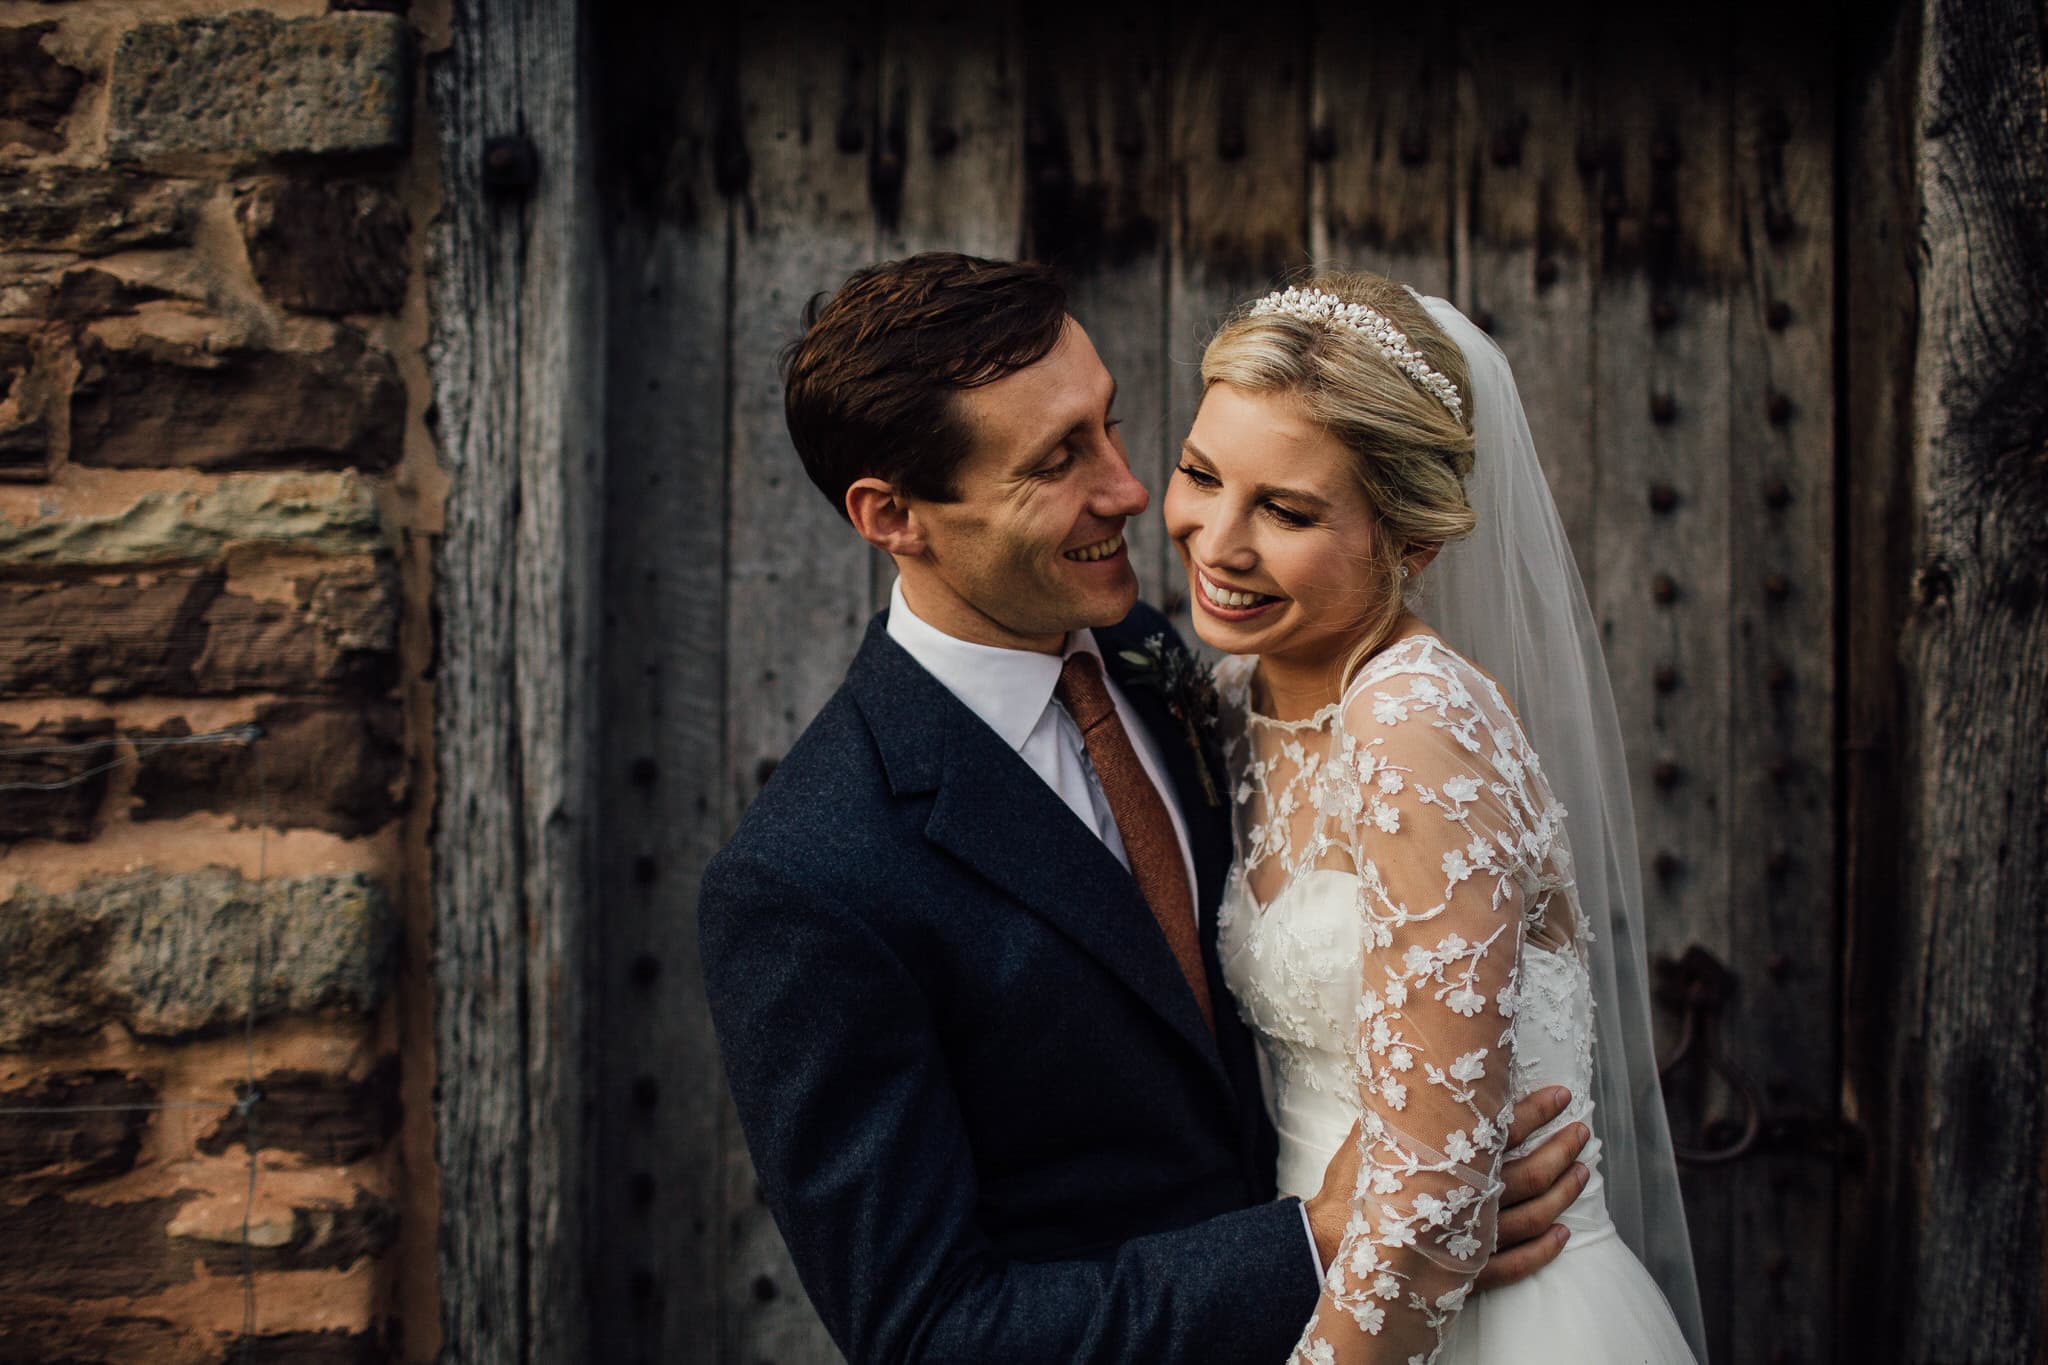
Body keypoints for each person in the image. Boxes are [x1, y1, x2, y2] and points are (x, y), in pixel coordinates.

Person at [699, 253, 1592, 1365]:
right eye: (1056, 460)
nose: (1126, 490)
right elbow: (932, 1337)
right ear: (892, 515)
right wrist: (1323, 1240)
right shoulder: (810, 878)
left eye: (1111, 427)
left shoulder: (1164, 664)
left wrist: (1426, 1199)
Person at [1165, 275, 1707, 1362]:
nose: (1216, 541)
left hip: (1493, 1320)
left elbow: (1426, 1207)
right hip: (1315, 1285)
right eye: (1198, 474)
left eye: (1285, 510)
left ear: (1409, 545)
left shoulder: (1415, 721)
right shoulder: (1231, 700)